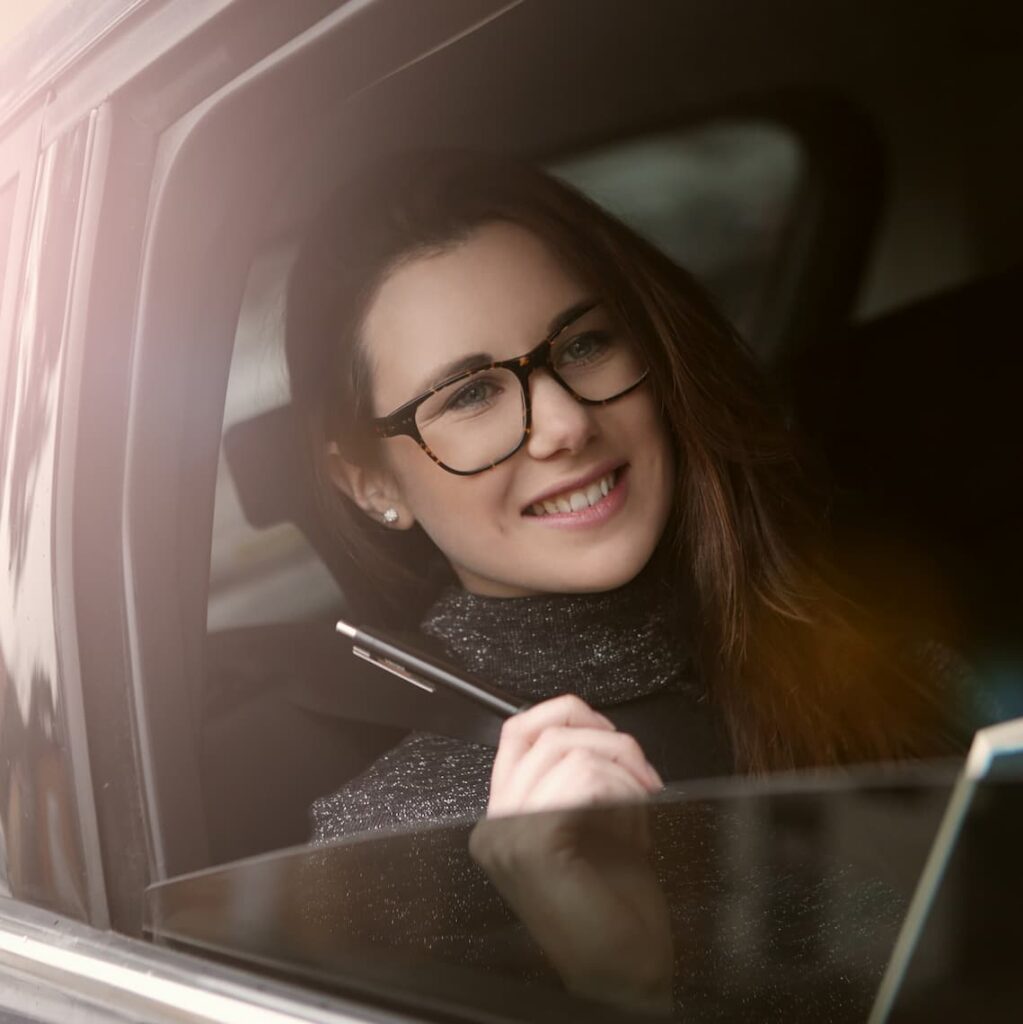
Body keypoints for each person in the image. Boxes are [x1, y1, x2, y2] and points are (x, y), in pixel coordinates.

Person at [283, 151, 973, 1014]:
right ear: (369, 481)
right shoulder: (382, 852)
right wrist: (619, 992)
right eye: (468, 397)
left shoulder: (851, 632)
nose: (566, 423)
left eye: (584, 343)